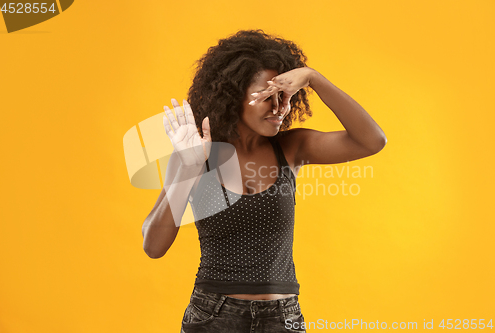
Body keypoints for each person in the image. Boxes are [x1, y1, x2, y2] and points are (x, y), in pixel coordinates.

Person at [141, 30, 387, 333]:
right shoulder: (195, 153)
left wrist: (313, 77)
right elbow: (153, 246)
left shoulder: (291, 148)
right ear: (234, 96)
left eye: (284, 97)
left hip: (282, 318)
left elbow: (372, 141)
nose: (279, 108)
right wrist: (189, 167)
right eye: (267, 97)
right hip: (212, 317)